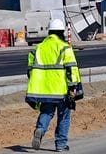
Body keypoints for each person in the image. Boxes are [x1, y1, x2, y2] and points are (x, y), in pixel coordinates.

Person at [26, 18, 83, 152]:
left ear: (49, 32)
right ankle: (60, 145)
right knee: (64, 116)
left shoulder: (38, 48)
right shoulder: (64, 47)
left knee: (46, 112)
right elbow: (71, 69)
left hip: (44, 90)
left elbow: (30, 70)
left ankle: (40, 129)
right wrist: (73, 87)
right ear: (62, 32)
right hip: (61, 90)